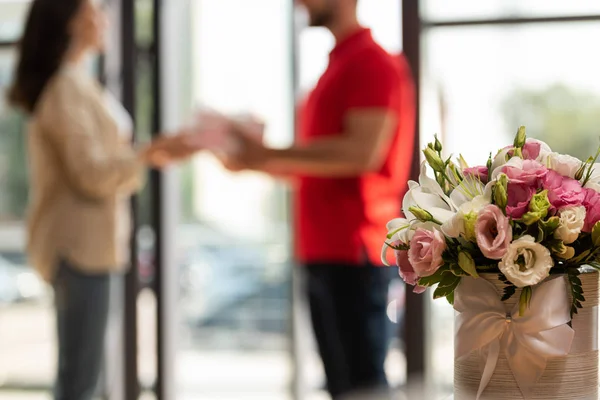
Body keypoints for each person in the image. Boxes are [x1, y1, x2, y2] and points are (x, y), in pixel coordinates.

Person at [200, 0, 416, 398]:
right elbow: (316, 165)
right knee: (342, 385)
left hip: (355, 252)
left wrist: (269, 155)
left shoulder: (373, 63)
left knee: (363, 385)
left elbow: (361, 153)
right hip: (323, 251)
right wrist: (253, 162)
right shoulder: (334, 68)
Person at [7, 0, 195, 398]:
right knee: (80, 379)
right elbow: (90, 173)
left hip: (92, 247)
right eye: (95, 11)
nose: (105, 20)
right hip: (79, 248)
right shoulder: (64, 88)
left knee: (83, 374)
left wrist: (148, 152)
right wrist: (147, 153)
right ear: (72, 22)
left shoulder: (78, 82)